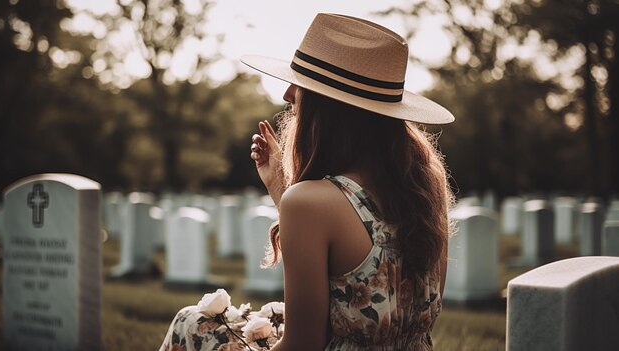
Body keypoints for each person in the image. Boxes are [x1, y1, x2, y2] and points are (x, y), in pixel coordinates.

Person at [159, 13, 454, 351]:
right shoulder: (426, 188)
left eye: (301, 85)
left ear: (328, 109)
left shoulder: (309, 203)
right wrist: (281, 190)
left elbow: (303, 347)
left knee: (191, 322)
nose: (288, 94)